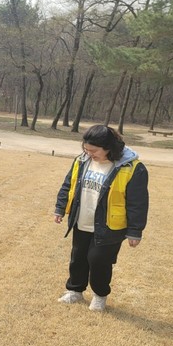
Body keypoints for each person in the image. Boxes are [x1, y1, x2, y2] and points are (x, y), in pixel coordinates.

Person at [54, 124, 148, 311]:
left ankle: (100, 295)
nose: (89, 154)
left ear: (109, 148)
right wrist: (60, 208)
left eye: (94, 151)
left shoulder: (133, 168)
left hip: (110, 225)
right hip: (82, 220)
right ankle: (75, 290)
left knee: (98, 260)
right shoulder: (82, 160)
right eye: (86, 149)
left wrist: (135, 231)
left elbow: (138, 203)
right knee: (78, 257)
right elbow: (68, 184)